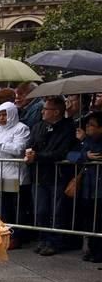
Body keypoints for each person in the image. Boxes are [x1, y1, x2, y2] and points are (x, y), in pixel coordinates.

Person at [26, 96, 78, 256]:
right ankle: (43, 238)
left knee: (57, 211)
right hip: (39, 175)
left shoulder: (69, 127)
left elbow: (61, 152)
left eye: (46, 109)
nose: (42, 111)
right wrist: (30, 152)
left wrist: (39, 156)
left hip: (57, 176)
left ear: (56, 112)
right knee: (40, 210)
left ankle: (55, 242)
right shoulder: (38, 126)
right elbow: (32, 143)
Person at [0, 102, 32, 248]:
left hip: (16, 175)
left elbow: (19, 149)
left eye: (4, 114)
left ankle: (17, 237)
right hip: (0, 173)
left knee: (17, 208)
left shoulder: (22, 128)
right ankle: (4, 235)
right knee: (4, 207)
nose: (1, 118)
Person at [71, 111, 102, 262]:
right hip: (87, 187)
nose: (88, 127)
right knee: (89, 219)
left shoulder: (93, 142)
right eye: (87, 124)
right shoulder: (86, 141)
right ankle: (92, 248)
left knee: (99, 219)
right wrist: (85, 155)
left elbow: (97, 154)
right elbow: (71, 155)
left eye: (92, 125)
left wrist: (86, 149)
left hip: (98, 186)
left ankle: (99, 251)